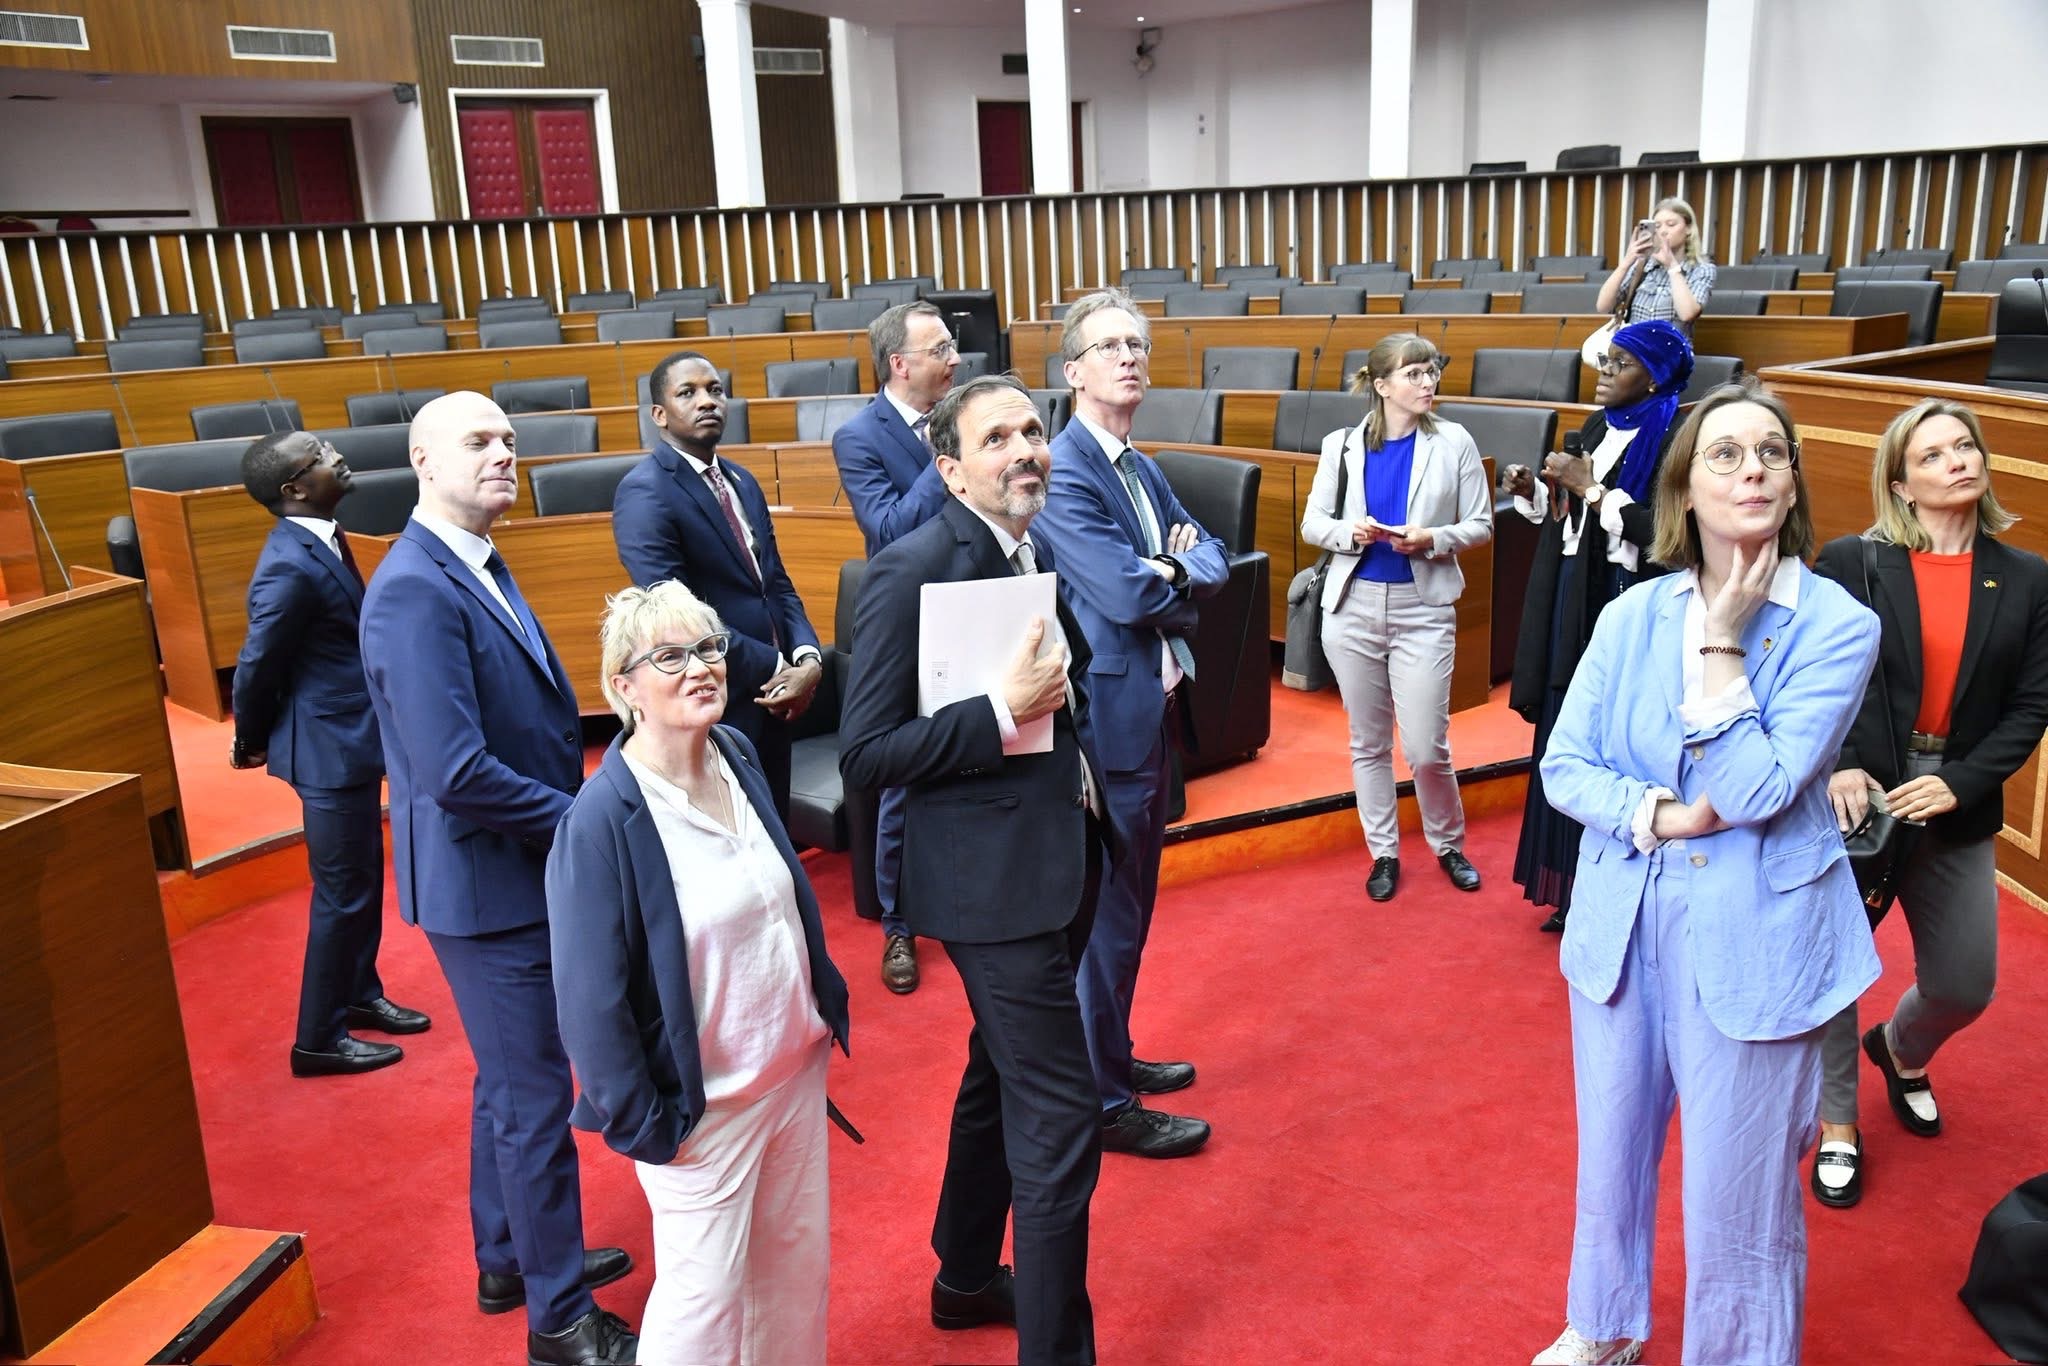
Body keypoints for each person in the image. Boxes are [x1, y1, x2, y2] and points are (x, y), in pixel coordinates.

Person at [1530, 383, 1881, 1366]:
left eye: (1770, 451)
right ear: (1684, 483)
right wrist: (1656, 813)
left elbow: (1760, 787)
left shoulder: (1834, 624)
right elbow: (1564, 765)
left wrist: (1723, 641)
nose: (1752, 467)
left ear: (1792, 479)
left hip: (1756, 935)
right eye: (1723, 453)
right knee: (1609, 1162)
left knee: (1738, 1192)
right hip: (1622, 921)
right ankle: (1603, 1325)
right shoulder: (1635, 611)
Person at [838, 374, 1109, 1366]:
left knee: (995, 1077)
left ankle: (961, 1278)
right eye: (996, 438)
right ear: (948, 467)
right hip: (991, 889)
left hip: (1052, 856)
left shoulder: (1027, 544)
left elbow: (1055, 691)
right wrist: (998, 713)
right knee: (1060, 1117)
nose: (1025, 451)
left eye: (1033, 431)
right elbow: (864, 755)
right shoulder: (909, 569)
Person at [359, 392, 635, 1366]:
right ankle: (558, 1320)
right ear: (422, 459)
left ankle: (508, 1253)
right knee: (532, 1095)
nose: (503, 454)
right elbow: (452, 770)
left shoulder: (475, 558)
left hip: (516, 873)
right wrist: (590, 822)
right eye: (478, 441)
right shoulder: (411, 587)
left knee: (508, 1083)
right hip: (488, 887)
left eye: (511, 441)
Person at [548, 580, 851, 1366]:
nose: (701, 668)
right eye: (671, 656)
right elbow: (591, 1005)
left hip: (791, 1078)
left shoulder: (736, 753)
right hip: (703, 1117)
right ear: (625, 687)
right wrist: (653, 1130)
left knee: (792, 1278)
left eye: (710, 648)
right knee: (702, 1311)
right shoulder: (600, 823)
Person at [1807, 398, 2048, 1209]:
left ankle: (1901, 1051)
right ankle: (1838, 1121)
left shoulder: (2028, 579)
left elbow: (2032, 705)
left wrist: (1965, 780)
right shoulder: (1854, 561)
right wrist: (1838, 763)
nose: (1958, 460)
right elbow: (1814, 679)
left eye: (1966, 446)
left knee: (1963, 983)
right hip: (1858, 795)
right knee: (1836, 970)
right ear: (1902, 484)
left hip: (1957, 796)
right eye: (1935, 453)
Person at [1034, 287, 1226, 1160]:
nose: (1129, 357)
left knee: (1135, 907)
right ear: (1073, 370)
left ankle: (1111, 1054)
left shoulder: (1136, 464)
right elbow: (1120, 591)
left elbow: (1212, 551)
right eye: (1109, 346)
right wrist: (1173, 572)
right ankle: (1104, 1102)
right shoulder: (1069, 468)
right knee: (1110, 916)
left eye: (1138, 345)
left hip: (1152, 709)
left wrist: (1173, 570)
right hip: (1108, 721)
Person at [230, 429, 429, 1077]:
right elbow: (259, 662)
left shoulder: (321, 536)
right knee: (343, 893)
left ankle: (358, 993)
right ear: (293, 489)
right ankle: (317, 1038)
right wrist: (249, 739)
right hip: (325, 750)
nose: (336, 455)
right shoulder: (288, 564)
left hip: (347, 738)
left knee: (363, 881)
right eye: (317, 456)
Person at [1504, 321, 1695, 933]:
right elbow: (1570, 522)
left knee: (1618, 740)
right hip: (1575, 596)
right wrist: (1538, 491)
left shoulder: (1673, 440)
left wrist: (1590, 489)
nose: (1604, 372)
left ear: (1656, 375)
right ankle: (1569, 882)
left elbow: (1663, 539)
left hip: (1627, 602)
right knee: (1572, 734)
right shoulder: (1594, 427)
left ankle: (1621, 887)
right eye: (1604, 362)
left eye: (1620, 364)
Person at [1300, 331, 1493, 903]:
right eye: (1415, 374)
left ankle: (1447, 842)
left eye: (1432, 371)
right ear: (1382, 386)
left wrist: (1432, 537)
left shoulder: (1454, 441)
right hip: (1353, 606)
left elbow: (1481, 524)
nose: (1428, 382)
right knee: (1368, 742)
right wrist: (1349, 533)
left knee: (1428, 746)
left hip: (1423, 608)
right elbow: (1313, 524)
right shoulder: (1342, 445)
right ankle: (1383, 852)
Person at [614, 350, 824, 825]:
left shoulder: (742, 481)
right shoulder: (644, 490)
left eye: (715, 390)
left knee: (776, 829)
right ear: (659, 415)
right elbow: (676, 616)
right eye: (687, 393)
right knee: (732, 832)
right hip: (715, 690)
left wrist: (807, 658)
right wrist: (775, 665)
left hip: (774, 695)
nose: (706, 401)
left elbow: (777, 585)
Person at [831, 300, 962, 995]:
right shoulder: (859, 437)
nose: (955, 360)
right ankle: (898, 925)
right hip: (906, 618)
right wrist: (946, 449)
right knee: (903, 777)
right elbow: (885, 530)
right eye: (940, 349)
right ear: (900, 364)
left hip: (975, 599)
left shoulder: (966, 410)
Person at [1595, 196, 1715, 331]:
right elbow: (1603, 307)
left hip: (1670, 349)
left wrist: (1672, 267)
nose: (1663, 231)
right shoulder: (1642, 266)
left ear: (1688, 229)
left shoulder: (1702, 269)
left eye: (1671, 224)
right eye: (1657, 226)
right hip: (1633, 346)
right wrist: (1627, 262)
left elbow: (1687, 314)